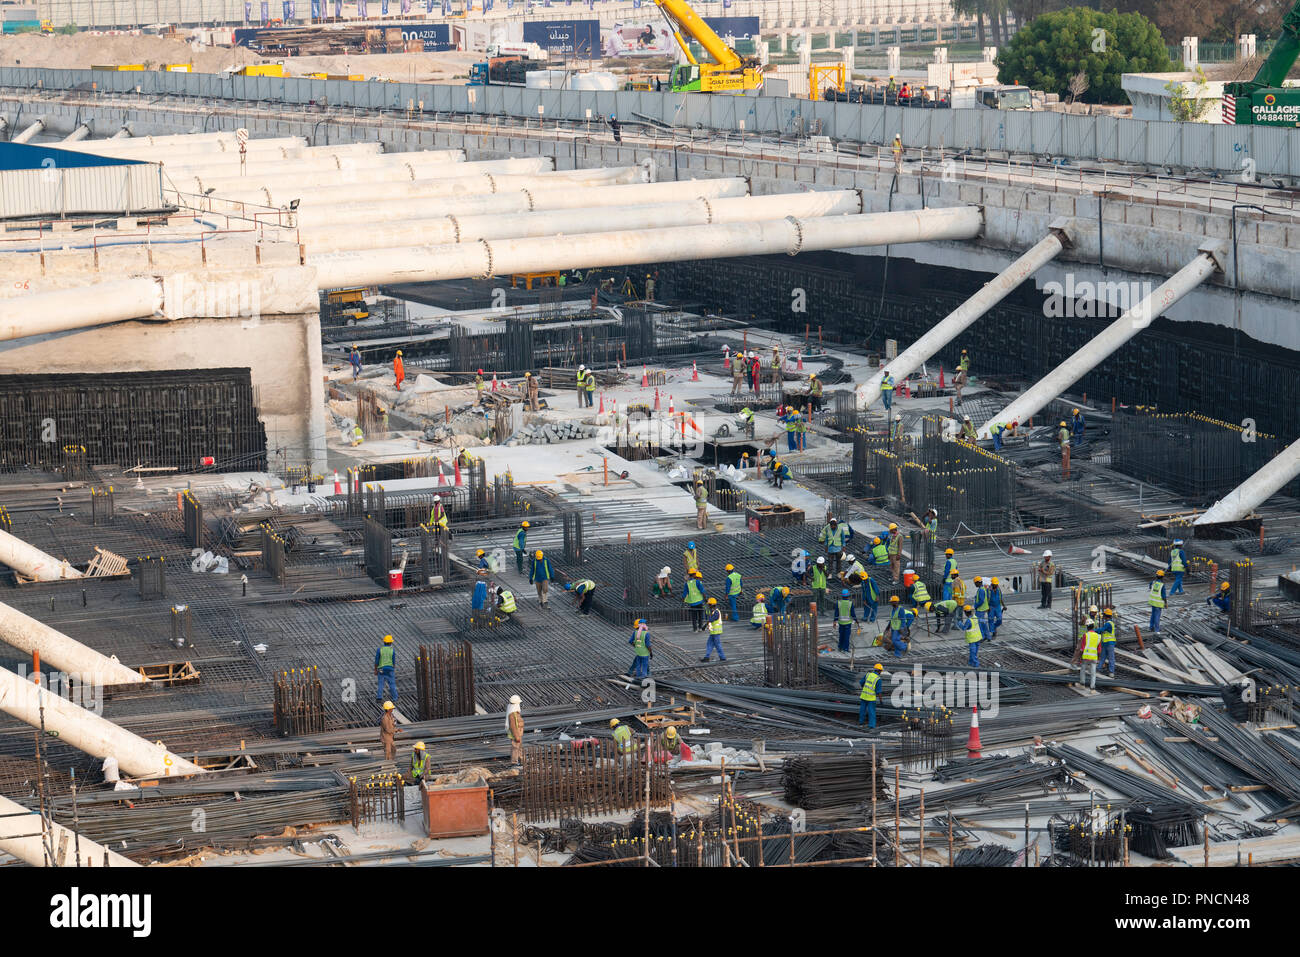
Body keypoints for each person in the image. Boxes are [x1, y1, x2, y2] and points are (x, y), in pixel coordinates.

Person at [859, 663, 884, 728]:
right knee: (871, 712)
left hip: (864, 696)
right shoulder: (878, 679)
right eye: (881, 671)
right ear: (879, 671)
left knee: (862, 710)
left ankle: (861, 723)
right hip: (871, 698)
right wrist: (881, 700)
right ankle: (871, 726)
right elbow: (879, 692)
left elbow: (861, 682)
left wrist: (864, 688)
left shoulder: (868, 674)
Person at [375, 633, 397, 704]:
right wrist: (393, 669)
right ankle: (395, 698)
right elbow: (393, 661)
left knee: (381, 683)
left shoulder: (379, 650)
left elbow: (377, 661)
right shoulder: (392, 650)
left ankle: (379, 698)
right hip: (390, 669)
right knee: (392, 684)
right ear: (390, 642)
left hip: (381, 669)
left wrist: (376, 670)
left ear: (384, 642)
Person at [1078, 620, 1100, 690]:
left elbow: (1082, 648)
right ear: (1093, 626)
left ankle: (1082, 684)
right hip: (1094, 657)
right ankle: (1092, 688)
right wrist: (1098, 658)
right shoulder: (1098, 636)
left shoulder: (1086, 635)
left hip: (1086, 656)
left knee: (1083, 669)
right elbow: (1099, 650)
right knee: (1093, 673)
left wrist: (1080, 658)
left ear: (1087, 627)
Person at [961, 604, 981, 668]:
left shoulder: (968, 620)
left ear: (965, 613)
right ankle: (970, 662)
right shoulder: (975, 616)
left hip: (972, 639)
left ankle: (975, 664)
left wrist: (959, 623)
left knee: (973, 652)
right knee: (975, 652)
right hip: (978, 637)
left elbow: (964, 628)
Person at [1098, 608, 1116, 677]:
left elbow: (1102, 630)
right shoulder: (1108, 623)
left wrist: (1094, 630)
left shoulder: (1108, 624)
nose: (1103, 617)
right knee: (1103, 657)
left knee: (1110, 658)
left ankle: (1111, 672)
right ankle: (1099, 669)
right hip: (1105, 643)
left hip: (1109, 644)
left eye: (1104, 615)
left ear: (1106, 616)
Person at [507, 696, 524, 766]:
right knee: (515, 748)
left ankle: (520, 760)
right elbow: (513, 727)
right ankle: (514, 762)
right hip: (515, 735)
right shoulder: (512, 715)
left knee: (519, 748)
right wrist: (517, 737)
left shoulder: (516, 714)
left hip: (519, 734)